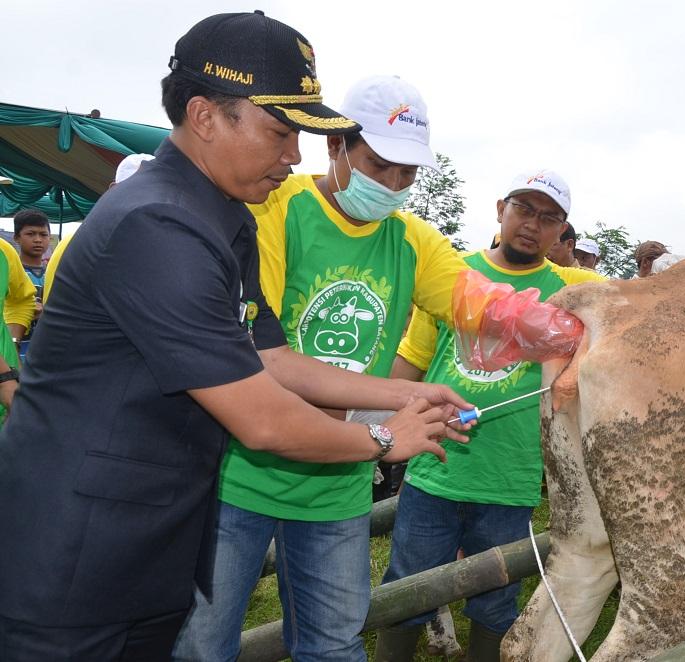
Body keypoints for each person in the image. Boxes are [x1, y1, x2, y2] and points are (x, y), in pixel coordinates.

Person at [0, 13, 472, 661]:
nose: (294, 156)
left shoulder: (225, 220)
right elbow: (262, 420)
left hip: (150, 533)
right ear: (205, 115)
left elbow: (273, 357)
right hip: (75, 552)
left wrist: (402, 393)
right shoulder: (157, 225)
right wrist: (384, 438)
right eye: (280, 131)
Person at [174, 75, 477, 662]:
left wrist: (545, 320)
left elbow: (476, 299)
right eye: (379, 164)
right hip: (239, 476)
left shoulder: (413, 240)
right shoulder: (274, 213)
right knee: (202, 646)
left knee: (334, 644)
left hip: (339, 483)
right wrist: (393, 411)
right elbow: (268, 357)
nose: (393, 184)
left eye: (408, 173)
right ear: (336, 146)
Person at [374, 170, 605, 662]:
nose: (532, 225)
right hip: (434, 468)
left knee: (497, 601)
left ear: (563, 231)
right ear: (500, 208)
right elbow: (410, 363)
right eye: (524, 209)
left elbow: (635, 311)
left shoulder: (571, 291)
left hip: (512, 476)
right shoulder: (453, 276)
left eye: (549, 218)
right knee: (407, 591)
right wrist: (381, 420)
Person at [42, 154, 155, 305]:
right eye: (134, 190)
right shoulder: (76, 243)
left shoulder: (160, 245)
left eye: (153, 192)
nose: (144, 200)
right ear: (113, 190)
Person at [0, 238, 36, 420]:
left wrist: (13, 342)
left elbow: (22, 299)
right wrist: (4, 380)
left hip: (9, 388)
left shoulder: (3, 251)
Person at [12, 209, 50, 357]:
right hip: (15, 355)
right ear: (16, 237)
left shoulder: (55, 274)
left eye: (43, 234)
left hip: (47, 356)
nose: (38, 239)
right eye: (30, 234)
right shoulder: (10, 273)